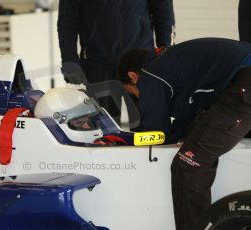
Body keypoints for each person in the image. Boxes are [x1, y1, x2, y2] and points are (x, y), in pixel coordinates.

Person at [117, 38, 251, 230]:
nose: (139, 97)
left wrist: (127, 140)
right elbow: (190, 122)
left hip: (244, 83)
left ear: (132, 76)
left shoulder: (150, 74)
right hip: (242, 79)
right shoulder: (175, 62)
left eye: (133, 92)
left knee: (188, 165)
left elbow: (157, 134)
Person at [57, 0, 175, 124]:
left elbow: (164, 11)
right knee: (104, 128)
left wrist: (166, 51)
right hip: (98, 63)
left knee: (150, 127)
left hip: (141, 64)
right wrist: (69, 60)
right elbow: (67, 20)